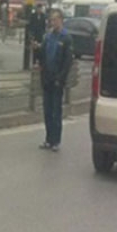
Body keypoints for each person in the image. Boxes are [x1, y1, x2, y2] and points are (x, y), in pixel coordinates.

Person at [36, 8, 73, 152]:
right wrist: (36, 49)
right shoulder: (48, 37)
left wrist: (61, 78)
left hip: (57, 80)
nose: (53, 22)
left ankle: (56, 140)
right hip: (47, 78)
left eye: (55, 19)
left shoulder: (66, 38)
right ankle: (48, 139)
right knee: (47, 110)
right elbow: (42, 55)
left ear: (61, 20)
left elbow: (67, 62)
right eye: (51, 20)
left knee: (56, 111)